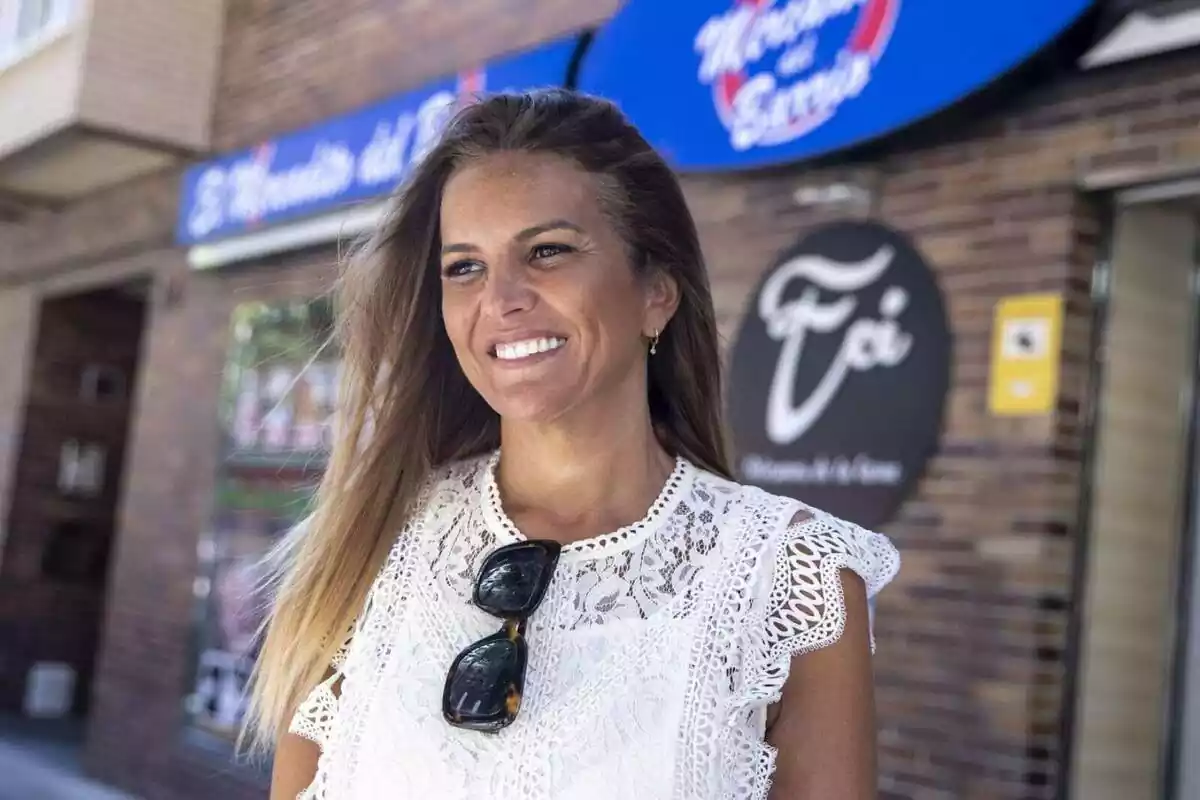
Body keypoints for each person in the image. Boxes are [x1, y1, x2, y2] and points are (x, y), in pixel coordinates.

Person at [248, 88, 900, 800]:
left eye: (548, 251)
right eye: (464, 267)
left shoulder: (790, 583)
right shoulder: (369, 543)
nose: (501, 300)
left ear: (657, 291)